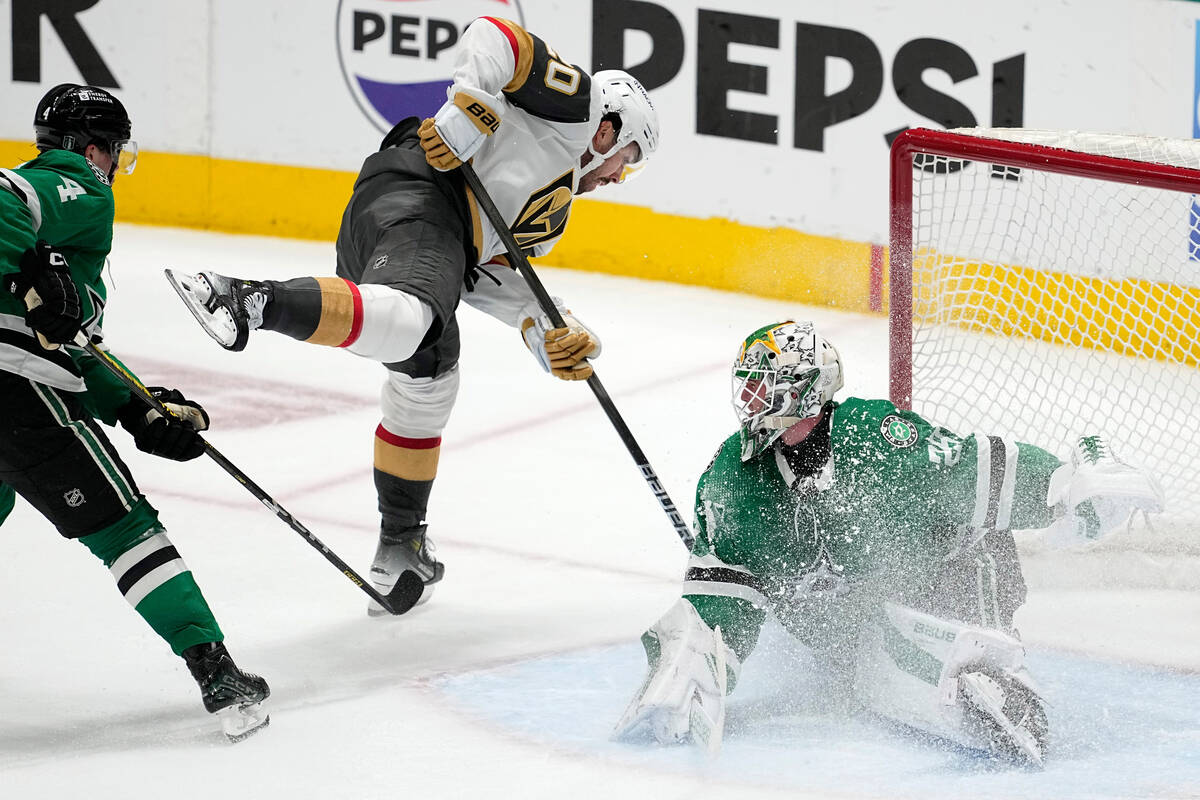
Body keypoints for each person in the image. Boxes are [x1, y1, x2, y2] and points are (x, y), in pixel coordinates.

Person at [163, 16, 660, 616]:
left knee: (430, 377)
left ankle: (400, 543)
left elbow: (489, 276)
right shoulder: (575, 103)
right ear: (609, 129)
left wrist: (549, 330)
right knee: (421, 317)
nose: (619, 177)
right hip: (420, 195)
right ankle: (248, 298)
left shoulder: (551, 219)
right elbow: (495, 37)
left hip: (417, 241)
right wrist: (468, 110)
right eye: (626, 158)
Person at [613, 320, 1164, 765]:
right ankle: (916, 668)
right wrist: (702, 656)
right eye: (748, 386)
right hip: (852, 612)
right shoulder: (732, 482)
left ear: (808, 392)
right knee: (859, 661)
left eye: (766, 386)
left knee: (971, 563)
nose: (752, 400)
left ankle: (998, 674)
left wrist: (1062, 492)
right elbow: (728, 595)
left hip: (946, 569)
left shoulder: (877, 440)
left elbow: (978, 471)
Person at [0, 84, 269, 742]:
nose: (116, 166)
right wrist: (21, 269)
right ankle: (219, 674)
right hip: (17, 392)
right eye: (114, 153)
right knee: (126, 530)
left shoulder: (51, 246)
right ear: (96, 151)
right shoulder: (80, 188)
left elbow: (73, 346)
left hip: (22, 376)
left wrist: (140, 408)